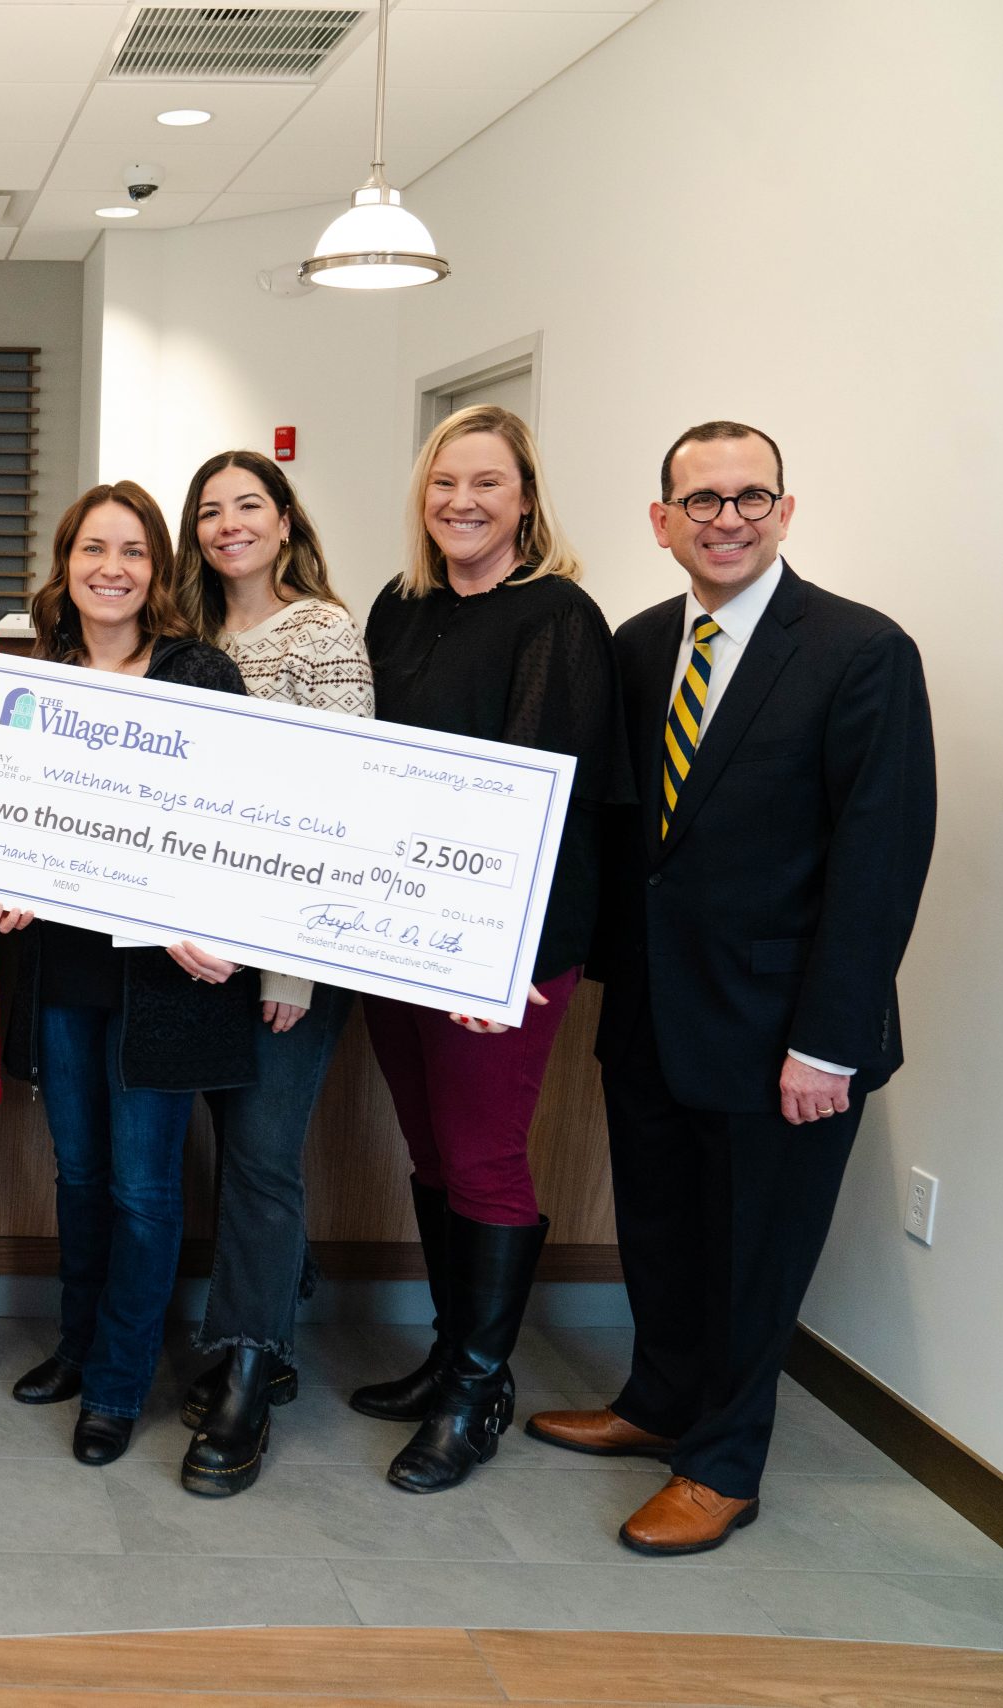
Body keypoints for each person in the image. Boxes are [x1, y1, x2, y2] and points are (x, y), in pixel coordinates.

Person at [528, 422, 935, 1555]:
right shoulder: (638, 642)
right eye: (699, 500)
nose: (726, 518)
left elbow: (879, 860)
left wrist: (830, 1043)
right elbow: (613, 832)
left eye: (749, 495)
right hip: (654, 1006)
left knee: (756, 1251)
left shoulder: (859, 651)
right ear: (660, 523)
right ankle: (657, 1403)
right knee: (659, 1225)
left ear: (786, 512)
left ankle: (722, 1463)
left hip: (784, 1033)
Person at [353, 404, 630, 1494]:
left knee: (482, 1155)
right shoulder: (398, 605)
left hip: (504, 949)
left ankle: (478, 1388)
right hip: (397, 933)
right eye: (442, 484)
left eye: (487, 483)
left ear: (525, 499)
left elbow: (560, 810)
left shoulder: (557, 615)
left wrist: (503, 956)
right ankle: (446, 1351)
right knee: (429, 1149)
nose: (461, 501)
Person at [0, 482, 258, 1470]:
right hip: (62, 968)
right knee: (80, 1174)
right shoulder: (36, 676)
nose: (112, 567)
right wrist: (1, 873)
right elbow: (13, 813)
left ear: (158, 568)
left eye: (133, 550)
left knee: (145, 1188)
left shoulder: (199, 672)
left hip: (166, 979)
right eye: (93, 548)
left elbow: (231, 816)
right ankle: (77, 1343)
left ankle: (117, 1379)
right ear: (65, 567)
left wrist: (197, 909)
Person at [167, 450, 375, 1496]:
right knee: (234, 1145)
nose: (227, 524)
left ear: (286, 520)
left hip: (288, 954)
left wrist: (288, 964)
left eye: (247, 505)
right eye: (208, 510)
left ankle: (245, 1376)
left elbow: (338, 798)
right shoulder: (187, 635)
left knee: (257, 1156)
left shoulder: (323, 630)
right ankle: (271, 1315)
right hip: (193, 949)